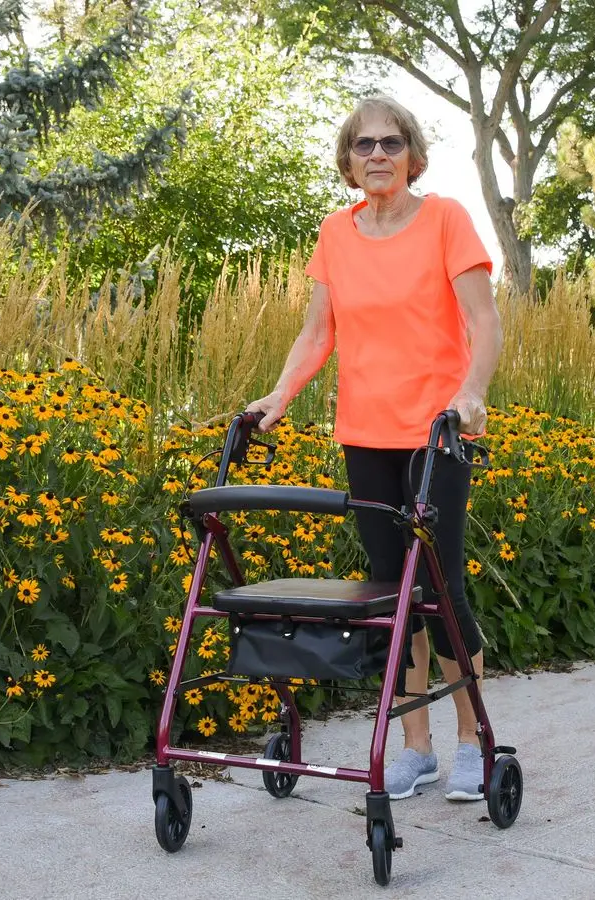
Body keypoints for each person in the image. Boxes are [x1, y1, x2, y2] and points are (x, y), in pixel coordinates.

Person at [246, 95, 503, 802]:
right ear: (349, 160)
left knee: (440, 586)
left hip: (435, 433)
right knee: (395, 595)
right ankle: (414, 749)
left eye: (391, 143)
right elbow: (316, 332)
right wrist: (280, 395)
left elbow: (485, 321)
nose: (379, 154)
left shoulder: (446, 219)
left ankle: (471, 741)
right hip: (364, 433)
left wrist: (472, 390)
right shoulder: (337, 232)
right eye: (365, 145)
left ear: (412, 154)